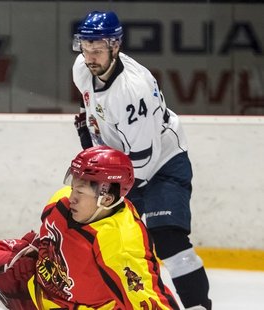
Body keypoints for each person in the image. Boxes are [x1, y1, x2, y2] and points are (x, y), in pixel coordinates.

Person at [70, 10, 211, 309]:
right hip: (121, 167)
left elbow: (144, 164)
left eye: (97, 49)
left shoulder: (134, 92)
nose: (89, 56)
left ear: (115, 46)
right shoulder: (82, 68)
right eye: (85, 47)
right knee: (98, 238)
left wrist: (105, 186)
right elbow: (99, 116)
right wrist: (91, 142)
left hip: (161, 165)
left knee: (169, 241)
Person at [0, 146, 179, 309]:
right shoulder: (61, 202)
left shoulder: (120, 244)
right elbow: (47, 238)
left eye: (80, 192)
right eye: (73, 187)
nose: (70, 197)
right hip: (44, 291)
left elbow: (151, 300)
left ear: (106, 199)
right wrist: (33, 249)